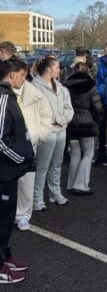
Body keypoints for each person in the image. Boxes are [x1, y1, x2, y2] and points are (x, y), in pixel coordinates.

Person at [0, 59, 36, 283]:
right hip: (3, 173)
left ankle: (4, 256)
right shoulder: (3, 97)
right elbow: (0, 139)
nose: (24, 79)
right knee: (2, 219)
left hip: (9, 172)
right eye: (23, 75)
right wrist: (21, 158)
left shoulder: (9, 95)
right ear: (12, 74)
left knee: (7, 217)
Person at [14, 60, 52, 231]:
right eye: (19, 74)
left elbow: (46, 115)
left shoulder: (34, 93)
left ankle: (23, 215)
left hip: (30, 143)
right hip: (8, 143)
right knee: (8, 181)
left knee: (26, 181)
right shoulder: (4, 92)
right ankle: (9, 212)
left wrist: (39, 136)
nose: (22, 78)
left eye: (24, 74)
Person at [32, 56, 74, 210]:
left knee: (57, 164)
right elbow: (33, 111)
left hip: (61, 130)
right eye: (57, 67)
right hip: (46, 132)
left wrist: (61, 120)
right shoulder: (34, 87)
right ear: (49, 69)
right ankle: (37, 198)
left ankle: (55, 193)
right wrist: (48, 123)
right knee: (42, 166)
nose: (59, 70)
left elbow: (69, 109)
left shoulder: (61, 88)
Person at [64, 62, 103, 195]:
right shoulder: (90, 85)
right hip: (87, 121)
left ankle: (71, 184)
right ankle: (81, 185)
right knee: (88, 154)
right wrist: (99, 119)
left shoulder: (66, 85)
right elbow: (97, 106)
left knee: (75, 153)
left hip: (71, 121)